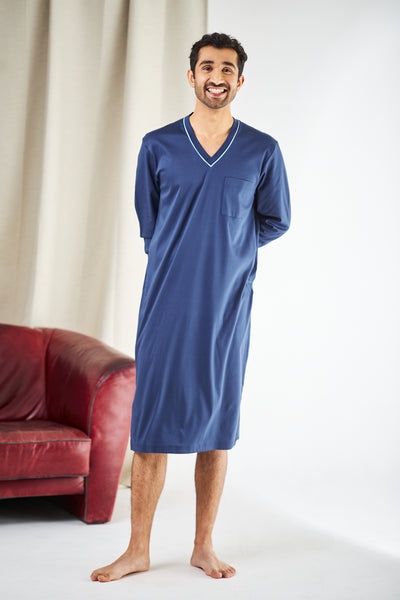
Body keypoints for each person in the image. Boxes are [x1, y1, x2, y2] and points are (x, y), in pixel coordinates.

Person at [91, 32, 290, 583]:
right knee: (151, 426)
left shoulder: (262, 150)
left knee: (217, 426)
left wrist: (229, 250)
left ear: (240, 80)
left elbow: (275, 219)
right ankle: (137, 549)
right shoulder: (157, 145)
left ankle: (204, 545)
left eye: (227, 69)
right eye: (207, 67)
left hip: (227, 312)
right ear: (191, 76)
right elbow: (150, 223)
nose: (216, 77)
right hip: (166, 308)